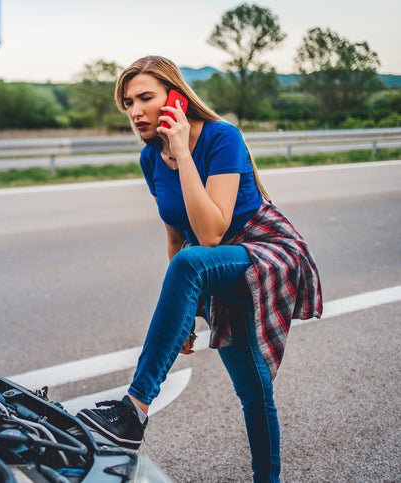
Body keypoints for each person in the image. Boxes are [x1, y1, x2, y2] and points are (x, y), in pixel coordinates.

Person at [77, 56, 323, 483]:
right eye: (128, 103)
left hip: (262, 252)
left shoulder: (222, 137)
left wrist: (182, 152)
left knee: (197, 266)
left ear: (176, 98)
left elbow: (209, 233)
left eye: (146, 98)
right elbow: (177, 239)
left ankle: (134, 408)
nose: (135, 112)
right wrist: (186, 311)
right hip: (212, 268)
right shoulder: (151, 160)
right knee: (253, 391)